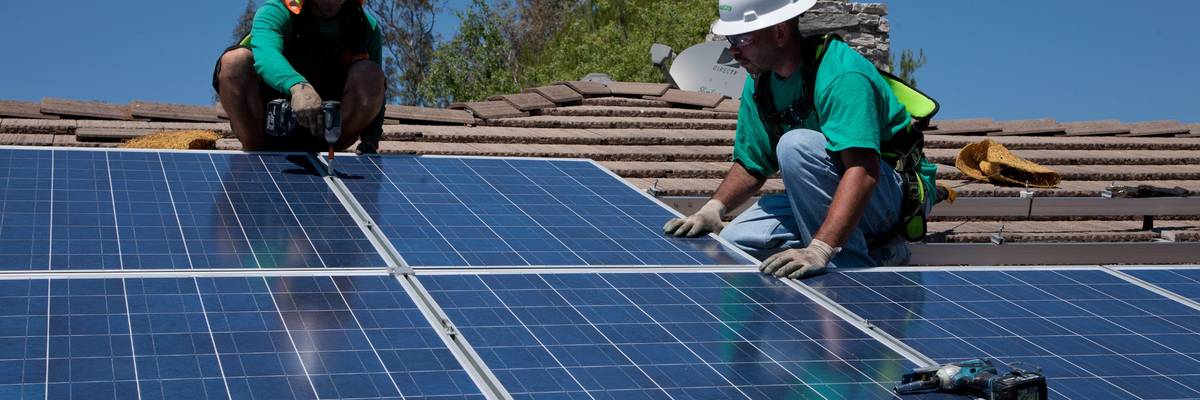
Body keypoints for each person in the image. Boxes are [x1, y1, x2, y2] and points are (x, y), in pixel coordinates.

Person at [664, 0, 938, 279]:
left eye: (742, 38)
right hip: (838, 190)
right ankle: (856, 244)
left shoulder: (841, 73)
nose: (733, 49)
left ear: (780, 33)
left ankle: (857, 268)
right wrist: (713, 209)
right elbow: (752, 164)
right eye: (729, 38)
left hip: (892, 194)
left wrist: (820, 248)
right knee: (736, 239)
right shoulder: (760, 81)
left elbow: (864, 170)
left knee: (796, 145)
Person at [213, 0, 385, 153]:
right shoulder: (276, 11)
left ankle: (327, 154)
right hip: (267, 125)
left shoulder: (365, 26)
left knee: (371, 74)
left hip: (328, 131)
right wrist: (298, 87)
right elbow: (266, 55)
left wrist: (371, 140)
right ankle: (255, 152)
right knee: (234, 62)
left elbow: (377, 89)